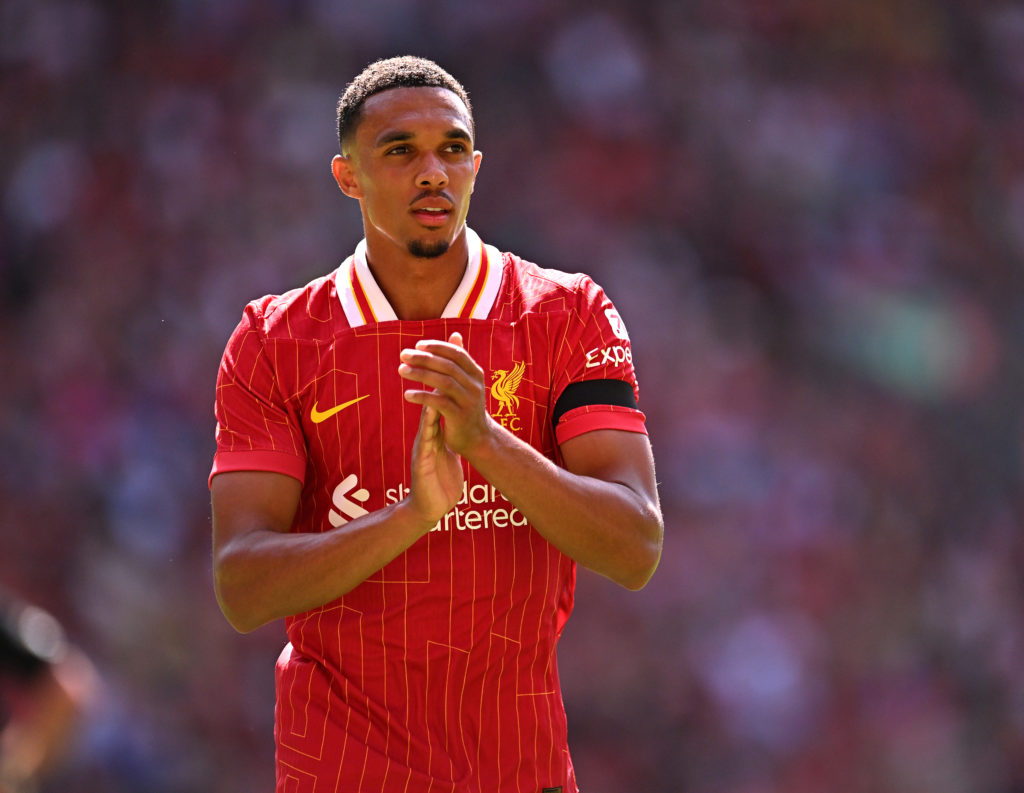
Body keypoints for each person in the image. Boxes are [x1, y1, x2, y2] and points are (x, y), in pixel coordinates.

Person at [209, 55, 663, 793]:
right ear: (347, 176)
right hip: (341, 771)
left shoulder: (567, 314)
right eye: (400, 151)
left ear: (477, 167)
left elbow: (636, 544)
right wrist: (411, 515)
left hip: (520, 768)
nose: (433, 172)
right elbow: (242, 587)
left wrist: (487, 442)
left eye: (452, 150)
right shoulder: (274, 338)